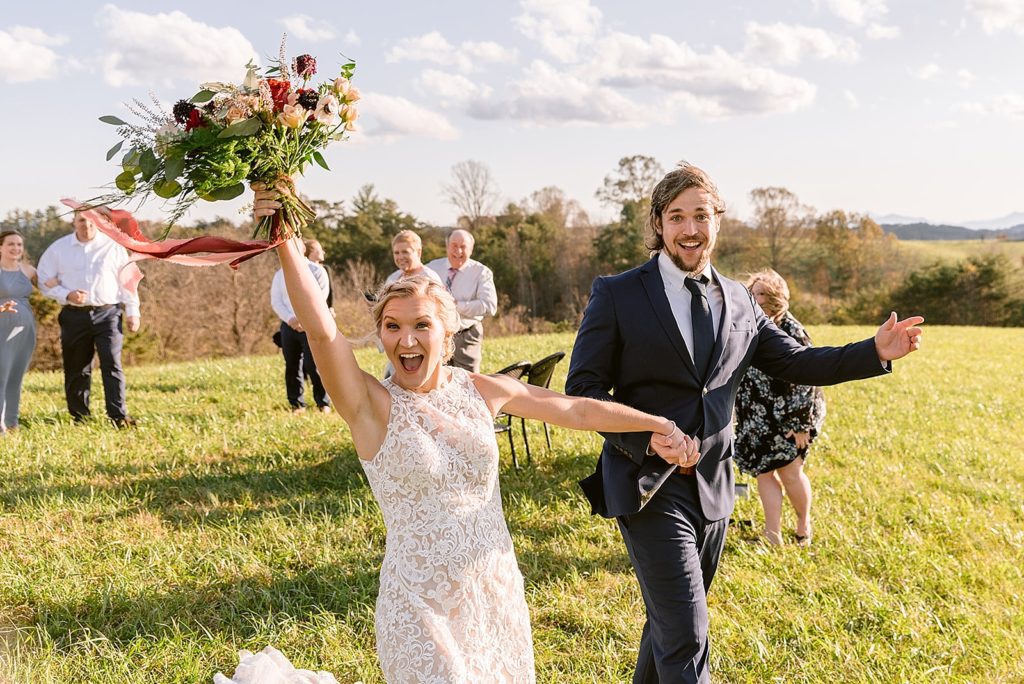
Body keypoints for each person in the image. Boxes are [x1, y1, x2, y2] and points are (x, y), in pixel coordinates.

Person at [253, 183, 698, 683]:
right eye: (393, 328)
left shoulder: (482, 389)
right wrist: (284, 238)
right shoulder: (369, 407)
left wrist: (653, 423)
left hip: (493, 592)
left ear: (447, 333)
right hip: (419, 608)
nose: (406, 340)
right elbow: (320, 329)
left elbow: (574, 410)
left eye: (421, 325)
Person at [565, 162, 923, 683]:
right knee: (687, 632)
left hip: (714, 487)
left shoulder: (739, 300)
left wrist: (873, 350)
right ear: (658, 225)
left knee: (669, 626)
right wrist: (647, 434)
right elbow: (584, 392)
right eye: (677, 216)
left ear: (718, 221)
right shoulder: (617, 294)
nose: (690, 228)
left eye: (701, 215)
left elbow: (797, 363)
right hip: (646, 484)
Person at [735, 269, 825, 547]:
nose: (755, 297)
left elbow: (806, 380)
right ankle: (771, 535)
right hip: (757, 415)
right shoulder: (747, 325)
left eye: (761, 293)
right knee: (764, 472)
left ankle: (803, 526)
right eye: (753, 292)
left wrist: (800, 424)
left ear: (775, 298)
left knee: (790, 473)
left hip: (791, 416)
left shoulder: (791, 330)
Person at [37, 209, 141, 427]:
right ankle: (80, 417)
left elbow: (128, 280)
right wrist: (66, 294)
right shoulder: (59, 249)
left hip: (108, 313)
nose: (87, 225)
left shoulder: (112, 247)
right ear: (74, 222)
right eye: (82, 220)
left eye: (92, 221)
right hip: (74, 315)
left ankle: (118, 416)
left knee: (112, 364)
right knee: (77, 367)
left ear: (100, 222)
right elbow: (43, 279)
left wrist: (133, 311)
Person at [270, 240, 331, 414]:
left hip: (311, 324)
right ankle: (296, 404)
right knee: (292, 365)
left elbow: (321, 297)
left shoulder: (317, 271)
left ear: (303, 248)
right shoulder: (279, 275)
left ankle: (323, 402)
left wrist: (305, 320)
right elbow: (276, 301)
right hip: (289, 326)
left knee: (315, 365)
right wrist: (290, 319)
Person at [426, 229, 497, 372]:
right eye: (454, 245)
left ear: (471, 249)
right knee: (437, 380)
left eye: (463, 247)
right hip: (438, 335)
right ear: (447, 246)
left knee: (468, 382)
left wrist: (455, 306)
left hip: (467, 335)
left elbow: (490, 306)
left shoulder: (482, 272)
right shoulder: (431, 268)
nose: (458, 251)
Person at [0, 231, 38, 433]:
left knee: (16, 376)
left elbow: (53, 286)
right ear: (1, 247)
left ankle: (12, 423)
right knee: (1, 375)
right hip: (1, 329)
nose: (16, 248)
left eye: (19, 244)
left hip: (25, 330)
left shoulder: (29, 271)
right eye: (10, 244)